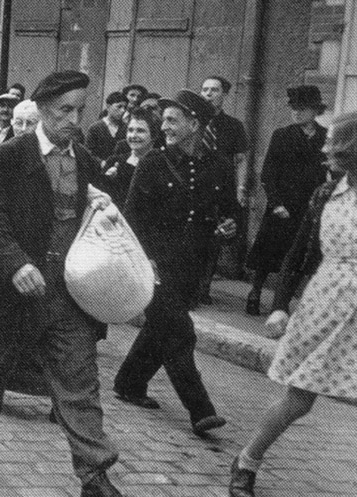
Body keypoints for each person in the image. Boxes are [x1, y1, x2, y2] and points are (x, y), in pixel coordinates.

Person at [0, 70, 143, 497]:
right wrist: (17, 264)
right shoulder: (8, 157)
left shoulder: (86, 160)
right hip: (15, 291)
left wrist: (101, 208)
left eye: (80, 110)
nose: (74, 120)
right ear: (42, 110)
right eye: (65, 110)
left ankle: (96, 482)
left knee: (80, 384)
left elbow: (86, 211)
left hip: (68, 292)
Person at [228, 112, 356, 497]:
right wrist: (280, 306)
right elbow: (298, 254)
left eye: (334, 146)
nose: (325, 151)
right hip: (328, 305)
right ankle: (246, 461)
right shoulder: (326, 194)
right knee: (298, 401)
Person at [113, 89, 237, 438]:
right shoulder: (153, 162)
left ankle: (129, 382)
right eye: (164, 120)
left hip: (192, 266)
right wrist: (145, 259)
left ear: (194, 124)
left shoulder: (219, 165)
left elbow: (230, 211)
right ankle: (200, 409)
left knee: (162, 327)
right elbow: (132, 217)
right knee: (180, 332)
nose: (164, 126)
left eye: (172, 120)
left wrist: (229, 226)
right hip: (154, 264)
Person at [243, 86, 328, 316]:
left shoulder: (324, 137)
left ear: (315, 110)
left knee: (298, 258)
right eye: (294, 108)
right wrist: (276, 203)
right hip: (282, 206)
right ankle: (255, 292)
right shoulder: (282, 135)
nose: (296, 113)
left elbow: (327, 173)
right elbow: (268, 173)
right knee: (267, 253)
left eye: (302, 108)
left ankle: (281, 304)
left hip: (308, 208)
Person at [197, 75, 249, 301]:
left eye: (214, 90)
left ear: (224, 95)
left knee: (214, 238)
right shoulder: (194, 121)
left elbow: (241, 159)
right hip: (196, 184)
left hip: (221, 188)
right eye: (205, 89)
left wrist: (240, 188)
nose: (208, 94)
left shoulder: (234, 126)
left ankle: (204, 287)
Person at [100, 107, 161, 204]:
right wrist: (107, 180)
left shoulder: (161, 164)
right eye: (130, 130)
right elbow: (100, 196)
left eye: (140, 131)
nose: (133, 135)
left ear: (153, 135)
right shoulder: (114, 162)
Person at [85, 91, 127, 164]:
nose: (123, 110)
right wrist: (101, 163)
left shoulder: (126, 128)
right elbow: (88, 153)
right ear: (108, 106)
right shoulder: (95, 128)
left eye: (125, 107)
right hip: (99, 168)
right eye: (119, 106)